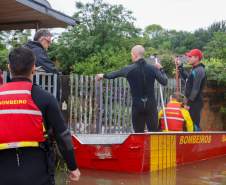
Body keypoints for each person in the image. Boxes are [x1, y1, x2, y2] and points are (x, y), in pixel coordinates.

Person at [0, 47, 80, 185]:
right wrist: (73, 167)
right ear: (33, 68)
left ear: (9, 67)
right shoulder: (45, 98)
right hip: (37, 171)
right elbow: (62, 136)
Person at [96, 45, 168, 133]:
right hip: (151, 106)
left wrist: (102, 75)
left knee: (138, 133)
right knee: (153, 133)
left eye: (131, 55)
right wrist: (161, 69)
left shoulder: (128, 69)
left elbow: (113, 74)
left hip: (137, 105)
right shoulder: (152, 69)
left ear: (134, 55)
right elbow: (164, 81)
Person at [176, 49, 206, 131]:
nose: (188, 58)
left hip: (195, 103)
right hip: (192, 102)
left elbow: (195, 89)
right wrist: (180, 67)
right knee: (188, 124)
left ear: (197, 58)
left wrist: (188, 103)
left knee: (194, 124)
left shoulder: (199, 70)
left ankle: (197, 143)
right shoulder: (194, 69)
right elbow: (187, 79)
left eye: (190, 57)